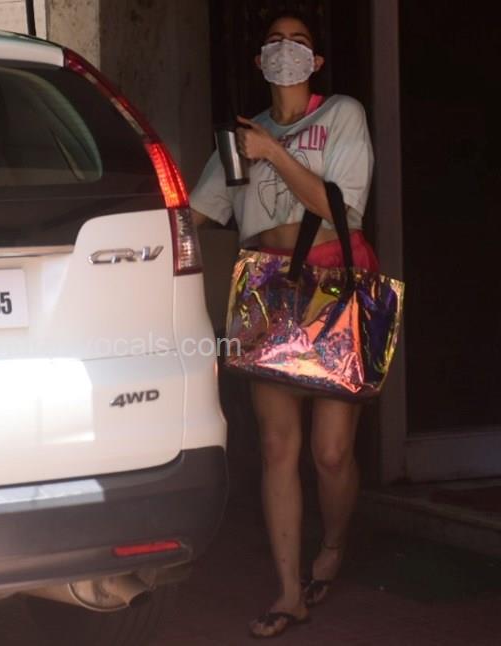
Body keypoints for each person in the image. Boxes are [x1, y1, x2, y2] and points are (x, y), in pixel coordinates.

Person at [190, 10, 377, 639]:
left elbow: (338, 206)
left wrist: (273, 151)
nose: (286, 49)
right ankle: (289, 591)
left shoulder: (341, 115)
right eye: (275, 41)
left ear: (316, 62)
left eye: (299, 42)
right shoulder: (242, 135)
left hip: (333, 279)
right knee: (277, 446)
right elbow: (198, 211)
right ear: (259, 61)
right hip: (265, 288)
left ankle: (334, 545)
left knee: (331, 452)